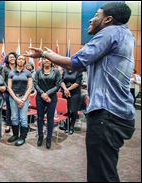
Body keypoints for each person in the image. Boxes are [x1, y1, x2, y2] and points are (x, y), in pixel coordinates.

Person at [25, 2, 135, 182]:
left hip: (106, 115)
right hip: (119, 114)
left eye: (97, 15)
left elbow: (75, 63)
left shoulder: (109, 32)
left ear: (107, 20)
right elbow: (82, 65)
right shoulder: (126, 35)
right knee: (106, 171)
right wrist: (54, 55)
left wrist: (45, 55)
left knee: (101, 176)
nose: (91, 19)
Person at [34, 59, 62, 148]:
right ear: (42, 61)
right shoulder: (38, 71)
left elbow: (58, 85)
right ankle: (40, 137)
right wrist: (42, 93)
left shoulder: (56, 71)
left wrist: (47, 94)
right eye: (44, 59)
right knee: (39, 118)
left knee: (50, 119)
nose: (46, 61)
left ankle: (49, 139)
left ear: (51, 61)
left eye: (48, 59)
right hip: (40, 97)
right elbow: (35, 83)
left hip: (52, 98)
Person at [7, 55, 33, 146]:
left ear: (25, 62)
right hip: (13, 98)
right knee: (14, 117)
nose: (21, 60)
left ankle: (22, 138)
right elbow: (9, 88)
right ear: (16, 61)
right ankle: (15, 135)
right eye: (19, 59)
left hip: (24, 98)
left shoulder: (28, 73)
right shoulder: (11, 73)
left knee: (23, 118)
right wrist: (16, 99)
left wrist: (23, 99)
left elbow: (30, 87)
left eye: (23, 59)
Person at [60, 69, 83, 135]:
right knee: (66, 110)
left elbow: (77, 83)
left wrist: (68, 89)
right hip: (65, 92)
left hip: (75, 93)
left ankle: (71, 126)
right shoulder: (64, 71)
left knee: (73, 110)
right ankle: (67, 125)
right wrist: (65, 89)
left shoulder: (78, 71)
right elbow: (61, 81)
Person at [1, 52, 18, 133]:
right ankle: (8, 125)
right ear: (7, 59)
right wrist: (7, 88)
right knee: (9, 109)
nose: (12, 58)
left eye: (13, 57)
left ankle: (16, 124)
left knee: (17, 108)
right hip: (8, 92)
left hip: (17, 91)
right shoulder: (4, 68)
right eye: (10, 57)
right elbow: (2, 80)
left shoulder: (18, 67)